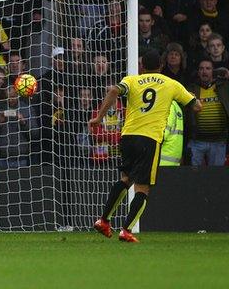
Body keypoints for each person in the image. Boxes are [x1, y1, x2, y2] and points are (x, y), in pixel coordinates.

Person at [90, 50, 201, 243]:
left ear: (142, 67)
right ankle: (126, 230)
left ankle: (104, 220)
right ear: (161, 66)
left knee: (125, 179)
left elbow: (114, 90)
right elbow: (196, 106)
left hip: (128, 137)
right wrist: (192, 97)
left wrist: (99, 118)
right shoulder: (171, 84)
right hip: (149, 139)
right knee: (143, 188)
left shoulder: (132, 80)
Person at [185, 58, 229, 166]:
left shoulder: (224, 87)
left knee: (215, 178)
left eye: (208, 68)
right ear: (198, 72)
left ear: (213, 71)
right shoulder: (191, 89)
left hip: (218, 141)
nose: (204, 71)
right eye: (201, 69)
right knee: (193, 177)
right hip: (196, 141)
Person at [159, 101, 184, 166]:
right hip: (172, 160)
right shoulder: (175, 106)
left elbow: (161, 135)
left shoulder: (167, 106)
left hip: (161, 162)